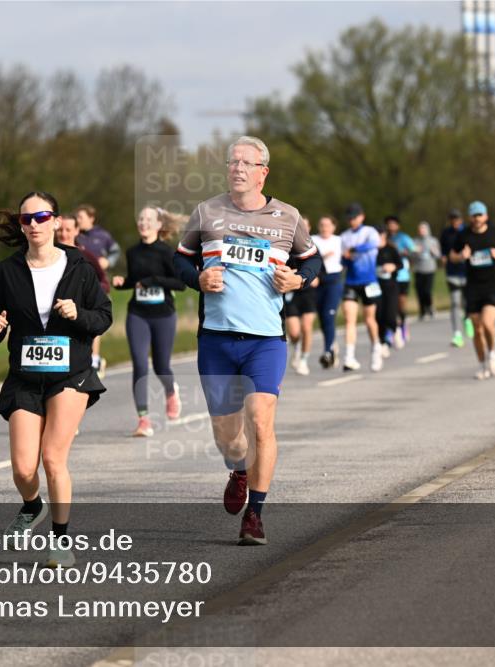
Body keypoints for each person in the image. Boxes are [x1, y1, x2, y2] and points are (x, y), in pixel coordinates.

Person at [173, 136, 321, 545]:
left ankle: (255, 515)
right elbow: (180, 259)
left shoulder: (287, 217)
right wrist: (197, 279)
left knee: (261, 422)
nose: (237, 168)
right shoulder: (207, 211)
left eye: (246, 163)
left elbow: (313, 261)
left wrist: (298, 279)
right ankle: (239, 470)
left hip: (265, 340)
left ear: (263, 172)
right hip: (217, 339)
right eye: (232, 161)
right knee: (227, 434)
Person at [0, 192, 112, 569]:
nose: (34, 225)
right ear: (21, 226)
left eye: (42, 217)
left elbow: (103, 318)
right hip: (25, 378)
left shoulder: (80, 266)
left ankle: (60, 541)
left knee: (53, 458)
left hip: (70, 374)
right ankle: (32, 505)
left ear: (57, 221)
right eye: (27, 219)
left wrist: (77, 314)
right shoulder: (7, 271)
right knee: (24, 469)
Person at [111, 206, 185, 436]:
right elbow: (135, 281)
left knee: (161, 366)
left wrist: (153, 280)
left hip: (163, 314)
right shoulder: (133, 252)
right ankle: (144, 420)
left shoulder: (166, 252)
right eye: (140, 219)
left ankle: (171, 392)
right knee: (140, 365)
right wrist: (122, 283)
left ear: (159, 225)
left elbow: (180, 284)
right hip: (138, 314)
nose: (143, 223)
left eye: (148, 219)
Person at [451, 201, 495, 380]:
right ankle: (482, 364)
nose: (477, 219)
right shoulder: (464, 236)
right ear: (470, 217)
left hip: (492, 285)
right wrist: (461, 256)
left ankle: (492, 353)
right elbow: (451, 256)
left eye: (480, 215)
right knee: (477, 330)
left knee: (487, 324)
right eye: (474, 215)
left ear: (486, 216)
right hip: (473, 288)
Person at [75, 203, 119, 377]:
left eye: (81, 217)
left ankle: (94, 358)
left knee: (95, 321)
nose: (78, 220)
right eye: (77, 217)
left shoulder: (102, 235)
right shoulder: (75, 235)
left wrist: (108, 262)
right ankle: (84, 358)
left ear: (91, 218)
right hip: (80, 285)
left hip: (99, 284)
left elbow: (115, 251)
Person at [339, 203, 383, 372]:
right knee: (350, 320)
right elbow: (344, 260)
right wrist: (346, 258)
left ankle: (376, 349)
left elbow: (374, 245)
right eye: (349, 218)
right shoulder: (344, 236)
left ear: (361, 217)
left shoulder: (370, 232)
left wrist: (354, 249)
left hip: (369, 281)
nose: (351, 221)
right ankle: (349, 356)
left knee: (369, 319)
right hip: (351, 281)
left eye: (354, 217)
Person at [285, 216, 320, 375]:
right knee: (293, 332)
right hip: (290, 293)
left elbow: (320, 271)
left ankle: (304, 359)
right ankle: (297, 347)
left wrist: (314, 278)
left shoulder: (313, 248)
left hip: (308, 294)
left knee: (307, 327)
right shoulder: (284, 246)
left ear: (309, 228)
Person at [313, 215, 344, 368]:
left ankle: (327, 350)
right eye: (321, 225)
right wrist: (323, 257)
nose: (324, 228)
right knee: (322, 319)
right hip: (318, 282)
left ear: (334, 227)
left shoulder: (339, 241)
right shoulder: (313, 240)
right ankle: (331, 345)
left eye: (327, 225)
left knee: (329, 314)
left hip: (334, 281)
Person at [56, 213, 110, 293]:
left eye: (68, 230)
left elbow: (104, 283)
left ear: (76, 231)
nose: (64, 234)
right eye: (60, 230)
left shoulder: (87, 256)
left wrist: (89, 291)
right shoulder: (46, 255)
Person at [440, 209, 471, 347]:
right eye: (453, 219)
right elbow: (443, 251)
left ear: (461, 219)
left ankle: (467, 318)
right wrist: (444, 258)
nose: (455, 221)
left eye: (457, 218)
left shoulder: (468, 231)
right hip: (452, 272)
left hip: (467, 272)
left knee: (467, 302)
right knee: (455, 302)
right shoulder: (446, 233)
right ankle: (457, 334)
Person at [385, 215, 414, 346]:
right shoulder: (384, 238)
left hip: (402, 275)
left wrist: (404, 252)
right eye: (389, 224)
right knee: (390, 304)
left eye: (393, 223)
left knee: (401, 304)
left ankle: (403, 324)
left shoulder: (403, 237)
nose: (391, 226)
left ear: (398, 225)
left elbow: (414, 250)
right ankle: (390, 330)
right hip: (389, 276)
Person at [375, 227, 401, 357]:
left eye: (379, 235)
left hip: (390, 285)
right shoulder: (371, 250)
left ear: (384, 235)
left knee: (390, 313)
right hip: (375, 286)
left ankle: (395, 330)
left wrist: (393, 267)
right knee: (379, 316)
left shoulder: (391, 249)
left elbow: (400, 264)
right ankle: (383, 343)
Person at [411, 221, 440, 321]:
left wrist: (433, 251)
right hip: (418, 269)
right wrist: (415, 251)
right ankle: (422, 311)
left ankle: (430, 306)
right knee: (420, 291)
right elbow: (412, 255)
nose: (421, 231)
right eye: (420, 229)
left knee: (427, 291)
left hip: (430, 269)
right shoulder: (415, 241)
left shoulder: (433, 241)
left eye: (423, 229)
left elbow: (438, 255)